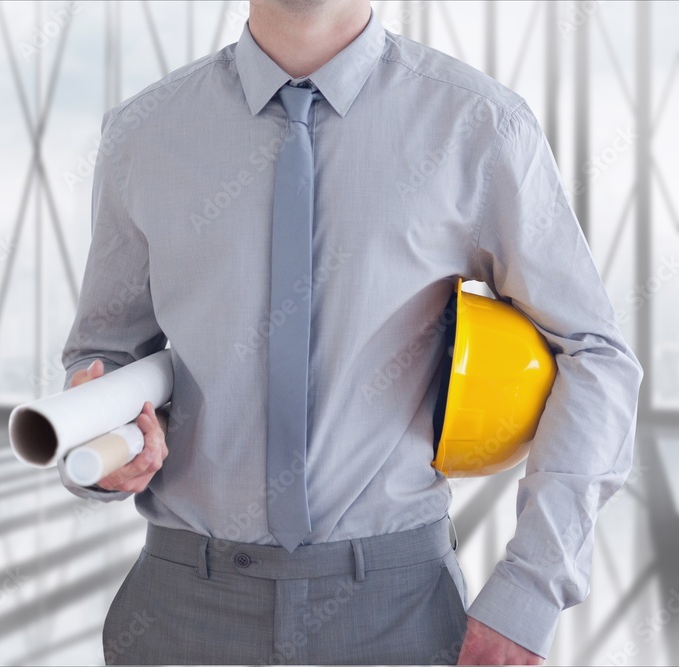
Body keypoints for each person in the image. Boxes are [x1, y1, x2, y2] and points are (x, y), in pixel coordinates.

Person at [57, 0, 643, 664]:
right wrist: (105, 452)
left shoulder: (477, 125)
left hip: (400, 615)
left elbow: (595, 354)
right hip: (181, 612)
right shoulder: (144, 133)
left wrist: (530, 591)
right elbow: (104, 354)